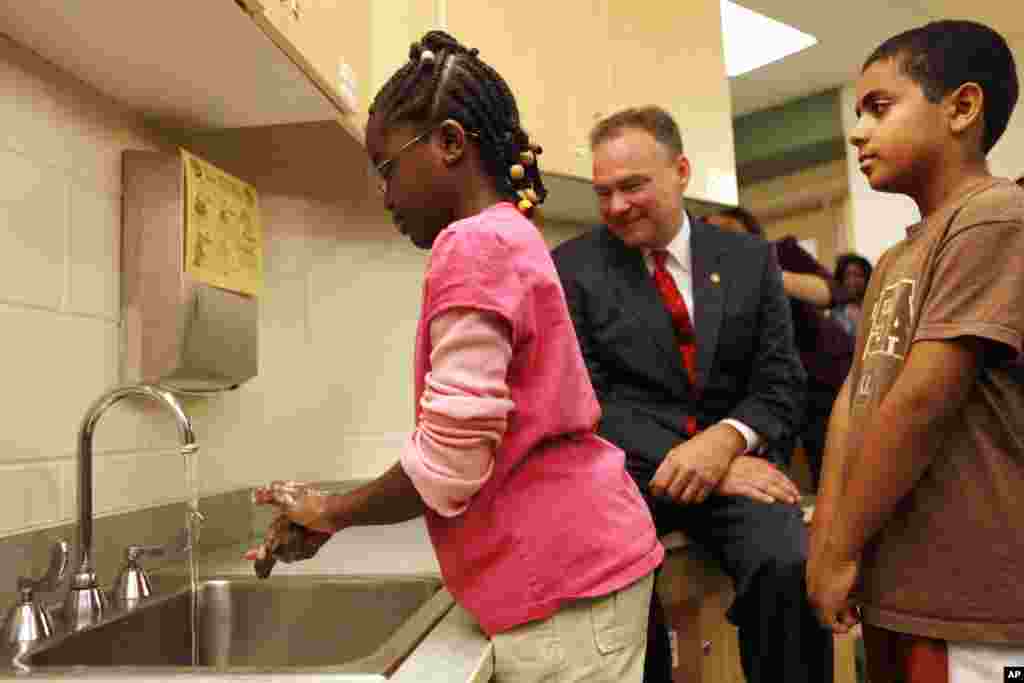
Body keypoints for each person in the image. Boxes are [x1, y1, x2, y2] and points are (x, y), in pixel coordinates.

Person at [245, 31, 664, 682]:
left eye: (387, 169)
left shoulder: (474, 246)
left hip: (568, 586)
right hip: (584, 572)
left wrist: (332, 511)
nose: (384, 196)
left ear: (448, 142)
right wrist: (336, 517)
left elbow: (449, 461)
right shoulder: (506, 237)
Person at [552, 106, 833, 683]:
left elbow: (780, 383)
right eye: (603, 192)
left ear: (680, 171)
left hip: (739, 463)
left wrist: (724, 442)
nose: (615, 206)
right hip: (634, 476)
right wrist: (707, 460)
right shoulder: (572, 268)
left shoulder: (751, 261)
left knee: (789, 564)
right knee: (613, 578)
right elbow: (588, 399)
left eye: (632, 185)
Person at [807, 20, 1024, 682]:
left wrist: (839, 545)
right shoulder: (897, 255)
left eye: (880, 107)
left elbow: (926, 397)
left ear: (961, 107)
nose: (857, 132)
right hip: (897, 588)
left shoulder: (993, 216)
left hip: (973, 600)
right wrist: (827, 542)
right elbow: (856, 397)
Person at [706, 207, 855, 489]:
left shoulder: (780, 252)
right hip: (770, 390)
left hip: (822, 375)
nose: (720, 240)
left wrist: (762, 271)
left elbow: (831, 293)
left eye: (729, 232)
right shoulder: (711, 280)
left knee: (833, 464)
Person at [831, 253, 872, 336]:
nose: (852, 281)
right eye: (847, 276)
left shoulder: (875, 308)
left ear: (867, 279)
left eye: (858, 275)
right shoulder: (835, 315)